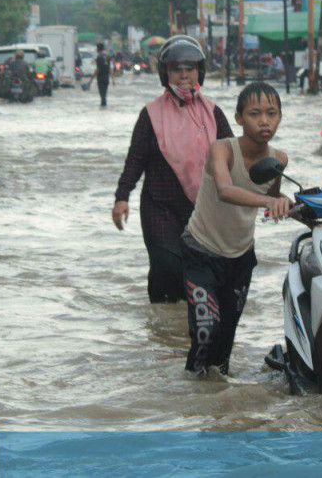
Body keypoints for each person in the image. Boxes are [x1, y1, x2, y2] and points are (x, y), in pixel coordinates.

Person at [113, 36, 234, 303]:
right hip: (159, 206)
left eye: (189, 69)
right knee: (167, 265)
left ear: (198, 72)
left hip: (203, 209)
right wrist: (122, 197)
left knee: (200, 275)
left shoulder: (214, 114)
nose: (183, 75)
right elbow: (135, 160)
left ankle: (183, 329)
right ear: (165, 73)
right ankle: (160, 325)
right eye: (176, 69)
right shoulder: (150, 115)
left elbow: (234, 159)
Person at [182, 82, 289, 375]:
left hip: (240, 257)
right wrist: (270, 199)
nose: (264, 121)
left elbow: (272, 198)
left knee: (225, 340)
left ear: (280, 116)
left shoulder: (279, 160)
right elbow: (225, 190)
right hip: (200, 249)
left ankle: (220, 406)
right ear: (239, 118)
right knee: (206, 329)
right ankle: (192, 394)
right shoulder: (222, 149)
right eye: (254, 114)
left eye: (272, 113)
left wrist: (284, 203)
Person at [91, 42, 111, 107]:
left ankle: (103, 108)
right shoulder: (108, 57)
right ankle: (104, 108)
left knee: (102, 95)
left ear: (97, 50)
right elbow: (110, 68)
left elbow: (97, 70)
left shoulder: (98, 58)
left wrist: (91, 80)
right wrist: (113, 80)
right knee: (104, 94)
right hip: (107, 78)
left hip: (100, 79)